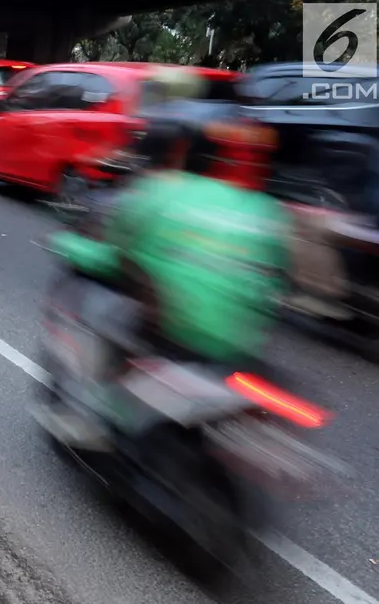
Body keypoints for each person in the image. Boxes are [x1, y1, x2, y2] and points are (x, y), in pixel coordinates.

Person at [48, 71, 289, 386]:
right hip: (238, 340)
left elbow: (118, 251)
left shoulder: (163, 158)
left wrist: (72, 245)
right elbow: (277, 281)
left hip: (169, 307)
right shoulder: (265, 209)